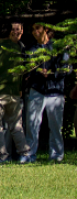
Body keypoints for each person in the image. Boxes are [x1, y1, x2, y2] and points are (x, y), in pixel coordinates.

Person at [0, 20, 31, 164]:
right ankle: (25, 153)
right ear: (10, 32)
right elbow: (22, 72)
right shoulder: (17, 49)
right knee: (16, 125)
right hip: (14, 92)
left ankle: (1, 155)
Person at [24, 23, 70, 163]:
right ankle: (29, 155)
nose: (34, 32)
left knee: (55, 125)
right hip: (37, 89)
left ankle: (56, 155)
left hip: (55, 91)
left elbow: (67, 68)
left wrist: (52, 74)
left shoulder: (59, 48)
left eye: (37, 28)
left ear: (46, 30)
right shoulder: (31, 49)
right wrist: (36, 73)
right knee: (32, 124)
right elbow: (25, 69)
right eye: (33, 29)